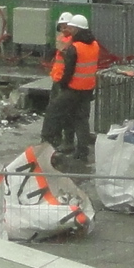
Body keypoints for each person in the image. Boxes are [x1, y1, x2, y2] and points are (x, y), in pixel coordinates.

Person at [39, 12, 101, 166]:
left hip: (73, 89)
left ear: (78, 29)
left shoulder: (75, 48)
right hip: (88, 89)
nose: (70, 30)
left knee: (53, 111)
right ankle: (82, 152)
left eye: (72, 28)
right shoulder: (95, 45)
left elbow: (69, 71)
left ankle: (46, 145)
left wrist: (63, 85)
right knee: (81, 119)